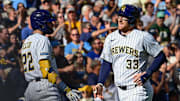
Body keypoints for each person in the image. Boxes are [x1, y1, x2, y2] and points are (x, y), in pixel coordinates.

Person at [93, 4, 167, 101]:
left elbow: (161, 56)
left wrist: (148, 73)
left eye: (124, 17)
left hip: (138, 89)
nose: (120, 20)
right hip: (120, 90)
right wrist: (100, 83)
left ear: (132, 20)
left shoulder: (143, 37)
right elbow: (106, 62)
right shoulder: (111, 38)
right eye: (119, 16)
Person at [21, 9, 80, 101]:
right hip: (44, 87)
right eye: (48, 22)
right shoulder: (42, 39)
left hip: (30, 89)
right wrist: (66, 89)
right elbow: (46, 70)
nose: (52, 24)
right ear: (41, 23)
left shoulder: (26, 41)